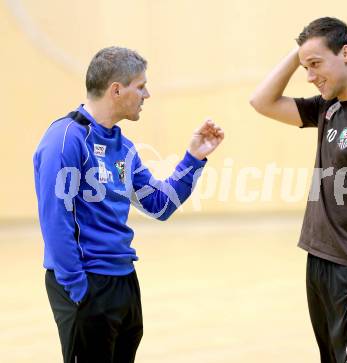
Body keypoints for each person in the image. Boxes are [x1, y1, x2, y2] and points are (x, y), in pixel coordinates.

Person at [33, 46, 224, 363]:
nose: (147, 94)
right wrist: (78, 290)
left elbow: (161, 205)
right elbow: (55, 220)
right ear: (116, 90)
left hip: (124, 282)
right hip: (86, 284)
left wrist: (194, 158)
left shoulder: (123, 147)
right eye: (141, 86)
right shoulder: (65, 138)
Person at [250, 17, 347, 363]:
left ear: (345, 54)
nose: (309, 76)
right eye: (305, 67)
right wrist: (300, 53)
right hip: (320, 260)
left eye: (315, 64)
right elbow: (261, 101)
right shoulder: (328, 106)